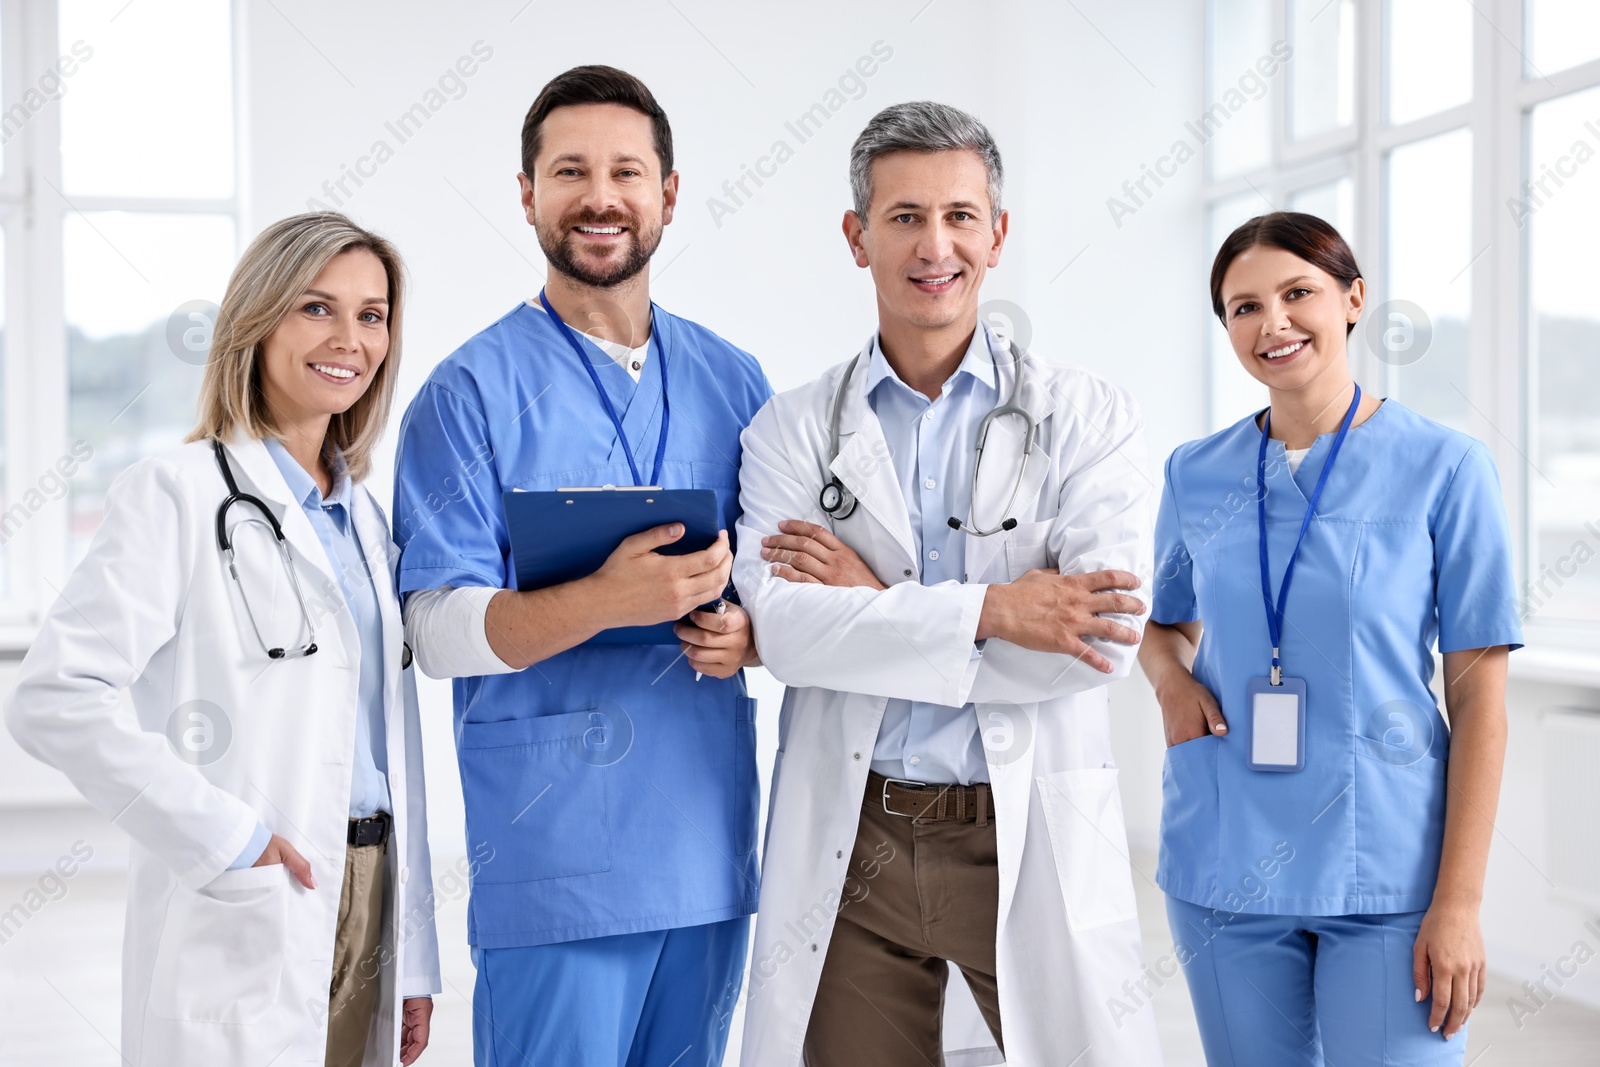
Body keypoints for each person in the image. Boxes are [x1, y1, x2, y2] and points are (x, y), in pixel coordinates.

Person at [733, 101, 1163, 1067]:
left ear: (998, 234)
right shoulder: (792, 428)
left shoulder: (1088, 417)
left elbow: (1100, 644)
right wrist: (1000, 609)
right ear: (857, 237)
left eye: (962, 216)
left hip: (1020, 832)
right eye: (904, 216)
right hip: (858, 841)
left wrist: (873, 602)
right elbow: (787, 633)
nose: (937, 245)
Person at [392, 65, 771, 1067]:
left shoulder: (734, 380)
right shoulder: (467, 392)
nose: (600, 197)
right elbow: (433, 629)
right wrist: (603, 600)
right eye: (570, 171)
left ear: (668, 194)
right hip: (553, 853)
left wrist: (750, 629)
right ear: (527, 194)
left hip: (705, 840)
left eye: (625, 172)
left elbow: (782, 578)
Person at [5, 211, 441, 1066]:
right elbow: (52, 699)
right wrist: (229, 838)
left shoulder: (363, 517)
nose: (349, 339)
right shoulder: (172, 492)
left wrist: (413, 950)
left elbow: (390, 746)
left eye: (372, 314)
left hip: (370, 884)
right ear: (258, 319)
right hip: (254, 882)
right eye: (317, 308)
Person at [1140, 211, 1520, 1066]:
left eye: (1296, 293)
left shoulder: (1447, 469)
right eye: (1244, 307)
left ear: (1352, 299)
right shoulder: (1194, 472)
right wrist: (1171, 681)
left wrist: (1457, 900)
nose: (1272, 323)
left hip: (1389, 869)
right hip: (1225, 858)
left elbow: (1480, 700)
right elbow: (1164, 622)